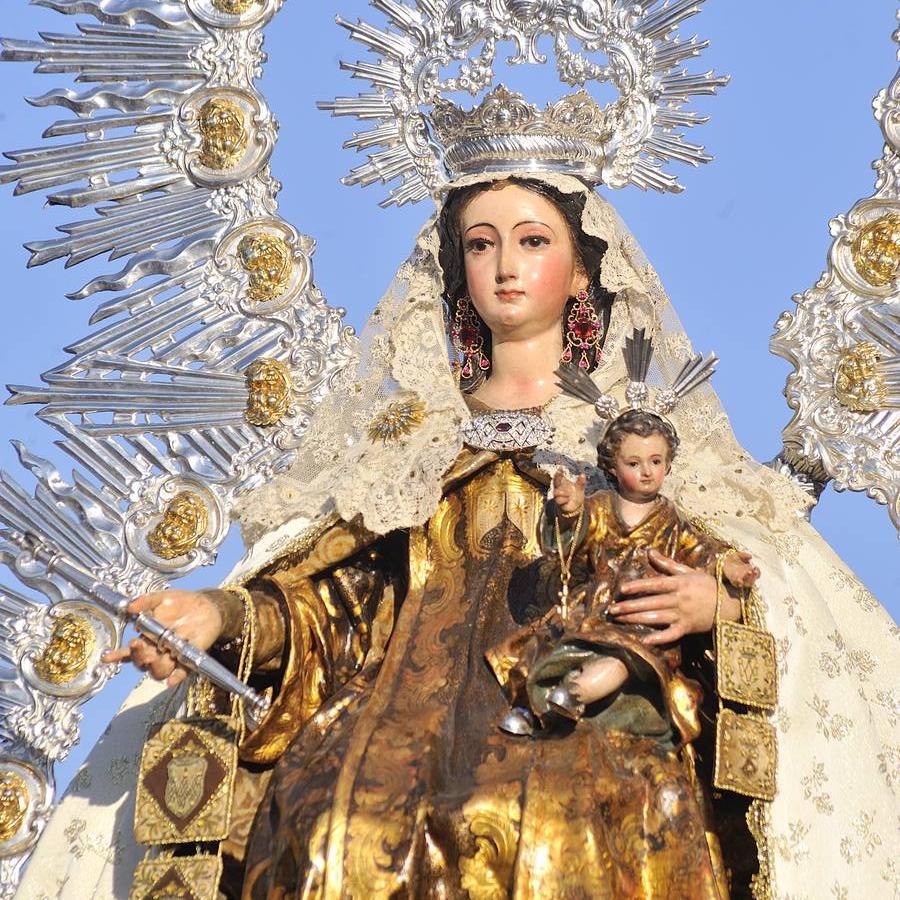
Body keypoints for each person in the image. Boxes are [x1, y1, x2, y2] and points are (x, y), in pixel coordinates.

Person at [19, 175, 899, 900]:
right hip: (390, 738)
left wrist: (719, 603)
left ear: (583, 271)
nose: (505, 266)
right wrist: (220, 617)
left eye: (532, 240)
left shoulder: (641, 443)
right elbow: (338, 603)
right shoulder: (410, 449)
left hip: (587, 720)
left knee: (564, 827)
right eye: (481, 243)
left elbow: (748, 568)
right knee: (328, 826)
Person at [491, 405, 761, 737]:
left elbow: (700, 551)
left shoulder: (671, 520)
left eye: (656, 462)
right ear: (613, 467)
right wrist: (570, 511)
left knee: (623, 662)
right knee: (552, 653)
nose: (647, 472)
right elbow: (570, 543)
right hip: (594, 610)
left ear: (669, 464)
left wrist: (727, 564)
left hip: (642, 621)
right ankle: (533, 709)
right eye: (634, 463)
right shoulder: (602, 506)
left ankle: (570, 698)